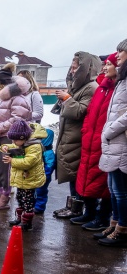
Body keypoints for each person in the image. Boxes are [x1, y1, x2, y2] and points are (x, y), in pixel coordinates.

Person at [53, 51, 102, 219]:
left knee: (77, 175)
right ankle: (73, 206)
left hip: (79, 138)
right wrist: (64, 100)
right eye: (71, 68)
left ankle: (78, 208)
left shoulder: (91, 87)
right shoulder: (78, 86)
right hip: (70, 136)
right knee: (71, 172)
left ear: (86, 69)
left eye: (75, 68)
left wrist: (67, 99)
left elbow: (81, 111)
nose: (72, 71)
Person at [72, 53, 118, 230]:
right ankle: (89, 212)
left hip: (104, 140)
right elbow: (90, 112)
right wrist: (86, 131)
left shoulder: (116, 89)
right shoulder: (101, 88)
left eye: (109, 64)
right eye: (104, 64)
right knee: (86, 177)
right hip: (90, 139)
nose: (105, 68)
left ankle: (103, 217)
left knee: (104, 182)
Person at [0, 63, 32, 210]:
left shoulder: (18, 99)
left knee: (5, 168)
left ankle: (5, 196)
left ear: (3, 85)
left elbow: (16, 119)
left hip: (10, 138)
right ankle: (0, 193)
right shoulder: (4, 100)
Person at [97, 39, 127, 247]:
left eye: (121, 51)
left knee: (121, 190)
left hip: (120, 141)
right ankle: (115, 222)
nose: (116, 55)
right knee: (113, 186)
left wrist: (109, 130)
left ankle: (122, 229)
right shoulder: (122, 81)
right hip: (113, 141)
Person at [2, 120, 46, 231]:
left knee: (28, 201)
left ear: (23, 138)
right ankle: (20, 218)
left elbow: (28, 162)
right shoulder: (21, 143)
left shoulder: (34, 146)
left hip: (30, 179)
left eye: (15, 140)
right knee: (20, 198)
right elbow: (12, 145)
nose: (13, 142)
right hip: (22, 179)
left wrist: (12, 160)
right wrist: (5, 147)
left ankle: (27, 222)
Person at [33, 127, 56, 214]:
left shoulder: (48, 153)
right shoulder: (39, 150)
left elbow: (49, 166)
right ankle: (33, 204)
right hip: (36, 174)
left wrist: (45, 175)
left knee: (41, 190)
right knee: (34, 190)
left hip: (43, 175)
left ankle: (39, 207)